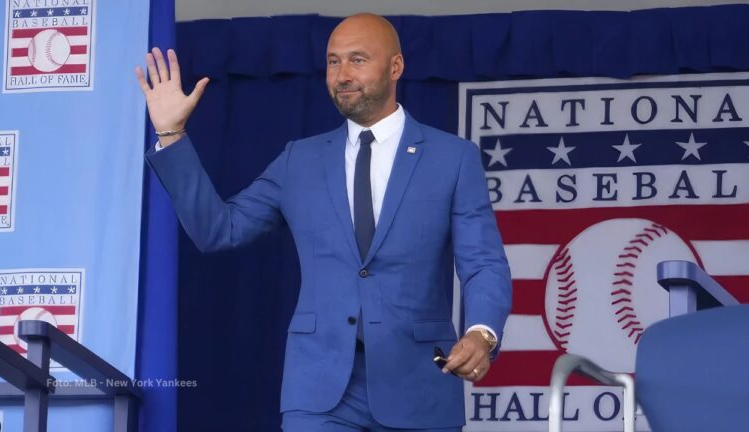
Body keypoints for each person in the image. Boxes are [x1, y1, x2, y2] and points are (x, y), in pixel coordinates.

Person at [136, 13, 511, 432]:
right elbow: (218, 229)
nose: (342, 74)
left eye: (357, 60)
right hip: (318, 391)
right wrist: (171, 134)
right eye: (333, 62)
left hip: (419, 382)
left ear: (395, 67)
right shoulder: (300, 159)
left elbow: (483, 263)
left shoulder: (452, 158)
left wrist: (482, 334)